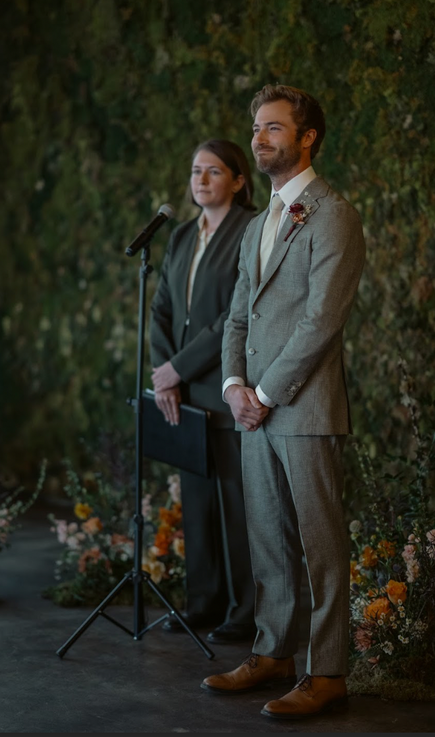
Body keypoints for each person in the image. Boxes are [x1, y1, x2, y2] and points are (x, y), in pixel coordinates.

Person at [201, 85, 366, 717]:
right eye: (256, 128)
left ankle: (327, 673)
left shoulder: (333, 215)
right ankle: (272, 654)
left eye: (273, 127)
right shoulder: (257, 224)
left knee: (320, 545)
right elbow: (237, 316)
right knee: (267, 538)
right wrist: (233, 388)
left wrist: (265, 393)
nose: (260, 137)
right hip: (253, 411)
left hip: (306, 409)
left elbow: (322, 320)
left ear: (307, 137)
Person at [149, 139, 257, 644]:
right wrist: (165, 373)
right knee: (195, 503)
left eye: (213, 171)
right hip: (183, 393)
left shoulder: (250, 230)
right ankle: (202, 603)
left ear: (238, 180)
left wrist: (180, 367)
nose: (202, 180)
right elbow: (161, 310)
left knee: (237, 505)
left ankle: (246, 612)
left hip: (226, 387)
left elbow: (235, 315)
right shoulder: (181, 236)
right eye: (196, 171)